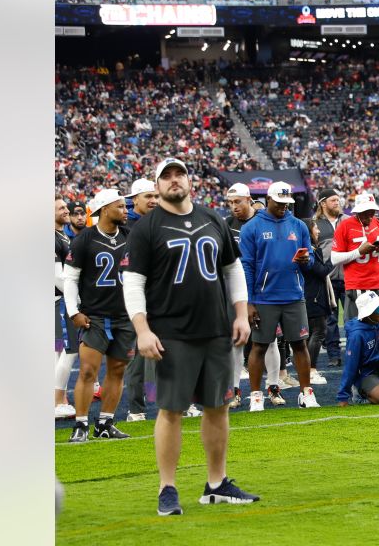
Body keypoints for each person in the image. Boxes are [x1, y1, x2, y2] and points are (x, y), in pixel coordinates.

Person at [124, 157, 258, 516]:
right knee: (171, 410)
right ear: (157, 185)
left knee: (219, 407)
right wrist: (142, 330)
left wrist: (241, 314)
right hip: (171, 334)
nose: (173, 180)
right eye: (165, 176)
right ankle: (167, 488)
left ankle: (216, 484)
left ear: (188, 180)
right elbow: (133, 282)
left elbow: (232, 268)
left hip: (216, 329)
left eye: (178, 173)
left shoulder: (211, 217)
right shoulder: (146, 228)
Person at [241, 182, 320, 411]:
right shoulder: (251, 228)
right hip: (264, 298)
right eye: (279, 202)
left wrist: (307, 261)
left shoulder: (299, 226)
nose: (283, 207)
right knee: (259, 346)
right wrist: (249, 301)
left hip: (294, 295)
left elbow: (311, 260)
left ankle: (307, 393)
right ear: (268, 199)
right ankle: (256, 396)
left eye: (287, 203)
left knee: (299, 344)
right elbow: (246, 266)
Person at [63, 189, 134, 442]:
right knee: (87, 372)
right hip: (94, 316)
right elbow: (71, 279)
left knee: (117, 370)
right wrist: (74, 312)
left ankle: (105, 423)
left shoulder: (130, 236)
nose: (126, 211)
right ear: (105, 209)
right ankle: (81, 425)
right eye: (121, 207)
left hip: (124, 316)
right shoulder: (85, 240)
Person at [123, 179, 161, 420]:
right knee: (137, 359)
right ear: (134, 199)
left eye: (155, 196)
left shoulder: (161, 222)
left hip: (161, 297)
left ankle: (175, 403)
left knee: (172, 352)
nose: (153, 201)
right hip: (135, 299)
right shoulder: (125, 226)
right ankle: (136, 409)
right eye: (148, 196)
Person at [331, 194, 379, 324]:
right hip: (357, 285)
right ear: (358, 211)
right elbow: (334, 259)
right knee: (357, 326)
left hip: (378, 283)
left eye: (372, 212)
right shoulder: (345, 226)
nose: (370, 216)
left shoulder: (377, 223)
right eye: (366, 213)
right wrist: (359, 252)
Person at [223, 182, 255, 407]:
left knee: (267, 341)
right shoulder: (225, 224)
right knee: (235, 341)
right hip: (233, 289)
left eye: (238, 202)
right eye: (230, 203)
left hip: (260, 289)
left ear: (249, 199)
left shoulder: (262, 221)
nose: (234, 207)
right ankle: (234, 390)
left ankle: (270, 388)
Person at [313, 188, 346, 366]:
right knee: (330, 320)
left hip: (350, 276)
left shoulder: (348, 220)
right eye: (333, 200)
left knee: (352, 316)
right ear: (323, 203)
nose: (337, 202)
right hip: (327, 278)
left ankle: (355, 350)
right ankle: (334, 355)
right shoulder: (315, 223)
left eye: (338, 199)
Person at [300, 219, 335, 385]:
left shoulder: (310, 248)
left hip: (311, 295)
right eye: (315, 228)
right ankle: (311, 370)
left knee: (310, 335)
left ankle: (306, 370)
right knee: (318, 332)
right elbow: (321, 271)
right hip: (313, 296)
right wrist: (334, 258)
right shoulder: (310, 250)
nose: (318, 231)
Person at [55, 197, 77, 419]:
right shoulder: (51, 238)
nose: (66, 210)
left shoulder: (63, 235)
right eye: (60, 208)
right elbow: (58, 278)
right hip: (59, 302)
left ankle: (58, 399)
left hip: (61, 301)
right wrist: (78, 297)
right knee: (70, 350)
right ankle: (56, 402)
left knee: (59, 350)